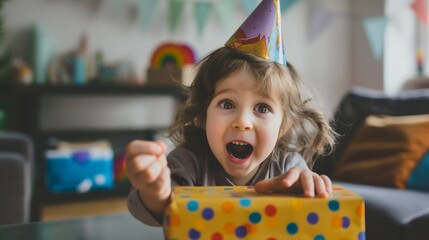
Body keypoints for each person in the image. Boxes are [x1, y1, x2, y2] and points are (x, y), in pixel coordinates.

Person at [126, 0, 336, 227]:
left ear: (283, 125)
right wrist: (155, 192)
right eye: (227, 104)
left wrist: (310, 192)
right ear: (203, 115)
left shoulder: (288, 169)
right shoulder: (188, 163)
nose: (242, 122)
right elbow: (158, 211)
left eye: (262, 108)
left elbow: (310, 222)